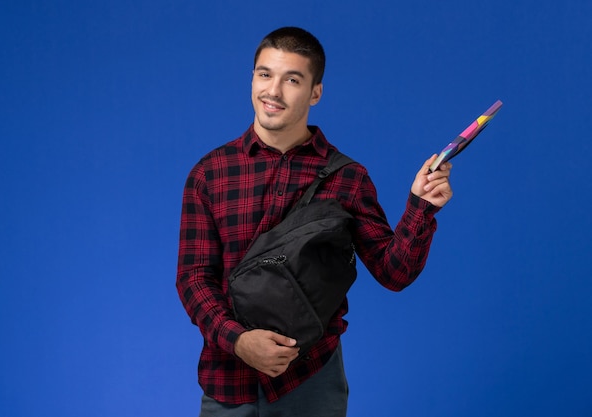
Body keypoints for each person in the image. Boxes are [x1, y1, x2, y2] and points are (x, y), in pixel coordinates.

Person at [176, 26, 453, 417]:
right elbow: (193, 278)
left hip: (312, 379)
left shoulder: (347, 177)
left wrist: (420, 207)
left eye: (292, 79)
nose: (273, 91)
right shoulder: (210, 174)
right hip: (228, 380)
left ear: (315, 93)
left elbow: (395, 273)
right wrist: (239, 341)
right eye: (264, 74)